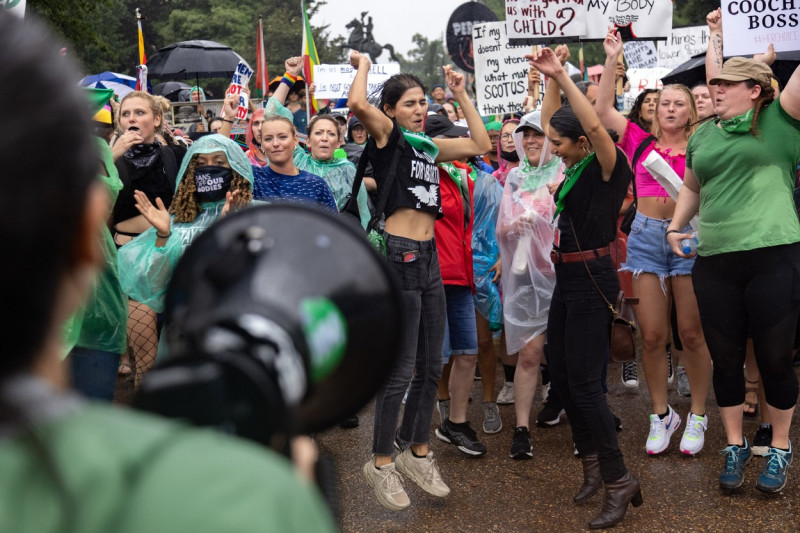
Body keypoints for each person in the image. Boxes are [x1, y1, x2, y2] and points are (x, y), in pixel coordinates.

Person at [0, 12, 335, 532]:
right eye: (200, 166)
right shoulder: (259, 500)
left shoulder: (253, 220)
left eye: (219, 167)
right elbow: (148, 281)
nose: (209, 173)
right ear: (89, 234)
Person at [348, 52, 491, 511]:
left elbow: (481, 144)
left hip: (430, 260)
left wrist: (463, 95)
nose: (418, 109)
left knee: (433, 365)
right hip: (400, 256)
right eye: (408, 103)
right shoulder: (389, 138)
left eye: (420, 103)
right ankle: (382, 462)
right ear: (390, 110)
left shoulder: (428, 147)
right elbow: (356, 105)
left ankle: (419, 451)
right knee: (402, 369)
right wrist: (364, 66)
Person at [666, 7, 800, 494]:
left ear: (757, 90)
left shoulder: (783, 119)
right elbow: (691, 186)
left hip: (773, 255)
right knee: (725, 361)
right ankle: (734, 443)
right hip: (715, 261)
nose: (715, 88)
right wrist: (676, 228)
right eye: (714, 82)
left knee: (775, 360)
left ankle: (780, 448)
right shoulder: (704, 133)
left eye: (726, 83)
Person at [530, 46, 640, 529]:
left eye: (558, 141)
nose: (552, 147)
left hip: (593, 279)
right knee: (567, 378)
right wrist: (550, 79)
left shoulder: (609, 165)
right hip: (567, 276)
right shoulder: (575, 169)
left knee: (588, 388)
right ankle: (594, 466)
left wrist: (562, 73)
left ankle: (619, 480)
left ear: (580, 142)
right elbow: (563, 117)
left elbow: (594, 124)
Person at [597, 28, 712, 457]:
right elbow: (602, 108)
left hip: (689, 238)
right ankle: (662, 415)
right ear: (653, 111)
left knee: (691, 333)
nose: (670, 108)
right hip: (645, 238)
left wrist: (715, 39)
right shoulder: (637, 140)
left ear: (690, 113)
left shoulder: (703, 144)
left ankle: (698, 413)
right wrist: (612, 59)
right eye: (664, 102)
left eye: (679, 103)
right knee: (651, 336)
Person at [118, 134, 253, 326]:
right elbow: (155, 286)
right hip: (186, 327)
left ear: (236, 168)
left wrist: (230, 227)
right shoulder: (177, 220)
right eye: (201, 163)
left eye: (219, 162)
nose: (209, 167)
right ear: (190, 171)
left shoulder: (255, 213)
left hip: (236, 324)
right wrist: (163, 236)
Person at [495, 111, 561, 459]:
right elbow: (501, 229)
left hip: (562, 275)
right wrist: (514, 227)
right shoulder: (516, 177)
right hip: (527, 277)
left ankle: (585, 422)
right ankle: (522, 428)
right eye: (526, 136)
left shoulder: (565, 171)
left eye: (538, 134)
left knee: (569, 355)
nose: (531, 141)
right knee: (530, 353)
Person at [111, 90, 184, 386]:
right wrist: (112, 155)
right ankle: (146, 393)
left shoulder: (173, 154)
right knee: (144, 345)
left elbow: (213, 156)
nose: (132, 119)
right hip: (130, 253)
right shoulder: (105, 157)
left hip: (169, 248)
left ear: (156, 120)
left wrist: (228, 117)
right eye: (126, 114)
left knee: (178, 332)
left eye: (139, 113)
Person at [294, 114, 371, 227]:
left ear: (338, 143)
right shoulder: (297, 161)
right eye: (318, 133)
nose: (324, 138)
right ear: (308, 141)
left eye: (331, 134)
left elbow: (362, 211)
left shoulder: (347, 170)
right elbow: (272, 114)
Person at [493, 119, 521, 186]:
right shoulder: (495, 177)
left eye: (514, 135)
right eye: (505, 136)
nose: (509, 140)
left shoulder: (534, 171)